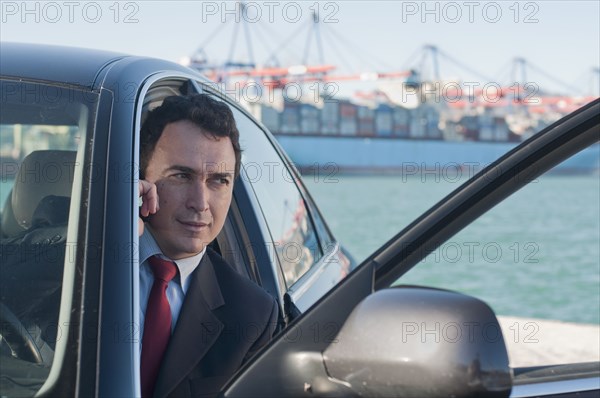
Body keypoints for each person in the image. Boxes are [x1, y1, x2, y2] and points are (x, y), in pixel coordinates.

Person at [137, 94, 279, 398]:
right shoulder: (78, 254)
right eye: (181, 176)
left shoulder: (252, 315)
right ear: (141, 178)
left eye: (218, 181)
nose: (201, 203)